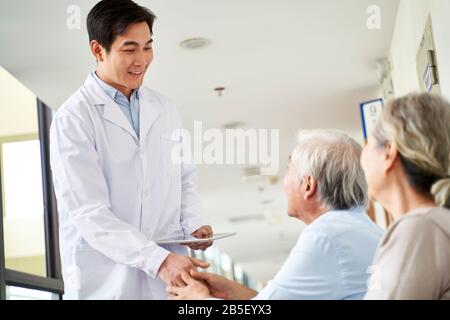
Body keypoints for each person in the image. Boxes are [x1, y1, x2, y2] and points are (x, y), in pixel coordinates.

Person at [50, 0, 212, 299]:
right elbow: (89, 211)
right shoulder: (74, 118)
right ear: (98, 50)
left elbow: (183, 179)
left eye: (148, 46)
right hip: (107, 281)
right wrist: (158, 260)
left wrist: (194, 223)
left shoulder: (163, 108)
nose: (142, 59)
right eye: (130, 48)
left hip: (167, 280)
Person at [167, 130, 384, 300]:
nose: (284, 181)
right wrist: (233, 293)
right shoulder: (357, 227)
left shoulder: (326, 236)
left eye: (289, 169)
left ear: (308, 184)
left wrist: (198, 299)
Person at [361, 93, 450, 300]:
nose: (362, 157)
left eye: (368, 144)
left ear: (389, 152)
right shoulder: (430, 224)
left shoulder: (419, 229)